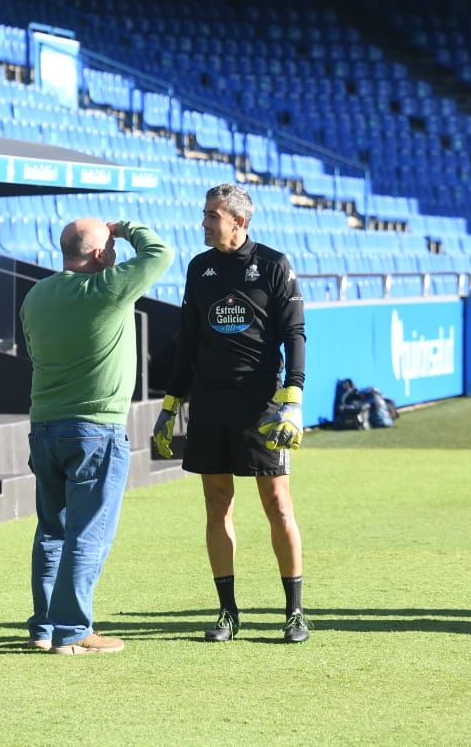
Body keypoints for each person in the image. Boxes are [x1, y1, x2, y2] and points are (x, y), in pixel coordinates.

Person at [152, 184, 310, 643]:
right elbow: (187, 341)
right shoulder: (199, 268)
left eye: (211, 215)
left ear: (238, 222)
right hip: (208, 403)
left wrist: (292, 400)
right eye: (204, 214)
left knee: (277, 505)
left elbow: (295, 335)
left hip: (260, 404)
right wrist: (170, 405)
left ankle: (295, 613)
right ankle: (227, 612)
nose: (203, 222)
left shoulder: (275, 265)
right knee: (217, 504)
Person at [20, 217, 172, 655]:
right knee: (89, 533)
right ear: (101, 254)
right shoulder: (108, 287)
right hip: (95, 430)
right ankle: (73, 632)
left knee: (52, 531)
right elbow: (159, 254)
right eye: (111, 248)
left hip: (44, 427)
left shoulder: (35, 295)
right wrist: (123, 226)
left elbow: (33, 351)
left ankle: (43, 628)